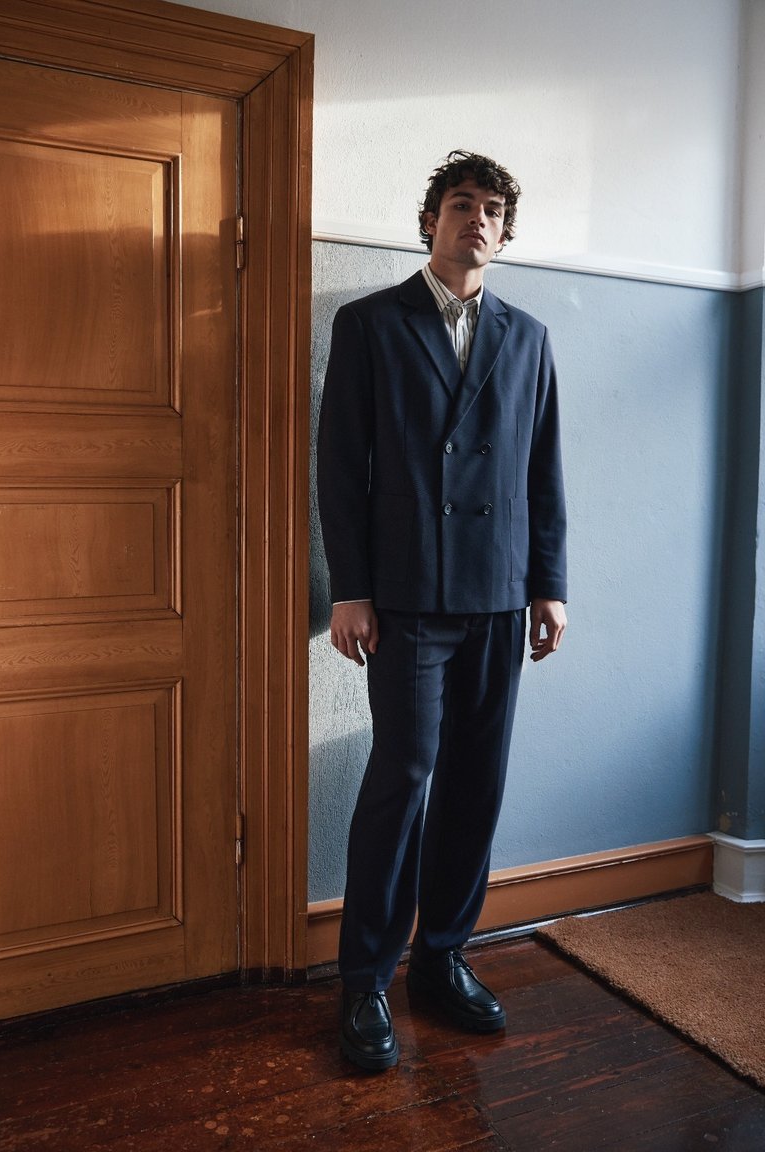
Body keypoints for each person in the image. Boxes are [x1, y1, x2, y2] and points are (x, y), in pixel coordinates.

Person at [316, 150, 567, 1072]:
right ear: (432, 221)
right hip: (407, 595)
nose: (478, 220)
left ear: (504, 231)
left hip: (499, 592)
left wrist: (549, 584)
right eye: (463, 204)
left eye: (493, 209)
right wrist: (350, 589)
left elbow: (542, 470)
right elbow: (341, 466)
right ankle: (365, 978)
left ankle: (443, 957)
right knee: (405, 772)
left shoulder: (528, 336)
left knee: (476, 777)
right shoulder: (370, 324)